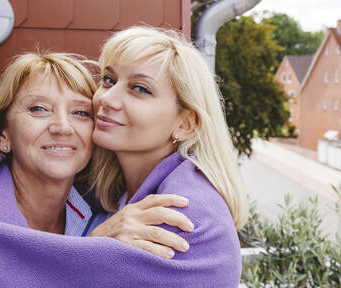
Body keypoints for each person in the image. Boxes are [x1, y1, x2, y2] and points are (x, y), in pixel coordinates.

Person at [0, 52, 192, 256]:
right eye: (38, 109)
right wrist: (93, 249)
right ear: (3, 136)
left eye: (80, 112)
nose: (62, 127)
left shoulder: (108, 217)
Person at [87, 26, 249, 285]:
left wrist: (95, 245)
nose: (108, 98)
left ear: (185, 124)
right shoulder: (130, 191)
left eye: (140, 89)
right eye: (109, 79)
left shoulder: (179, 213)